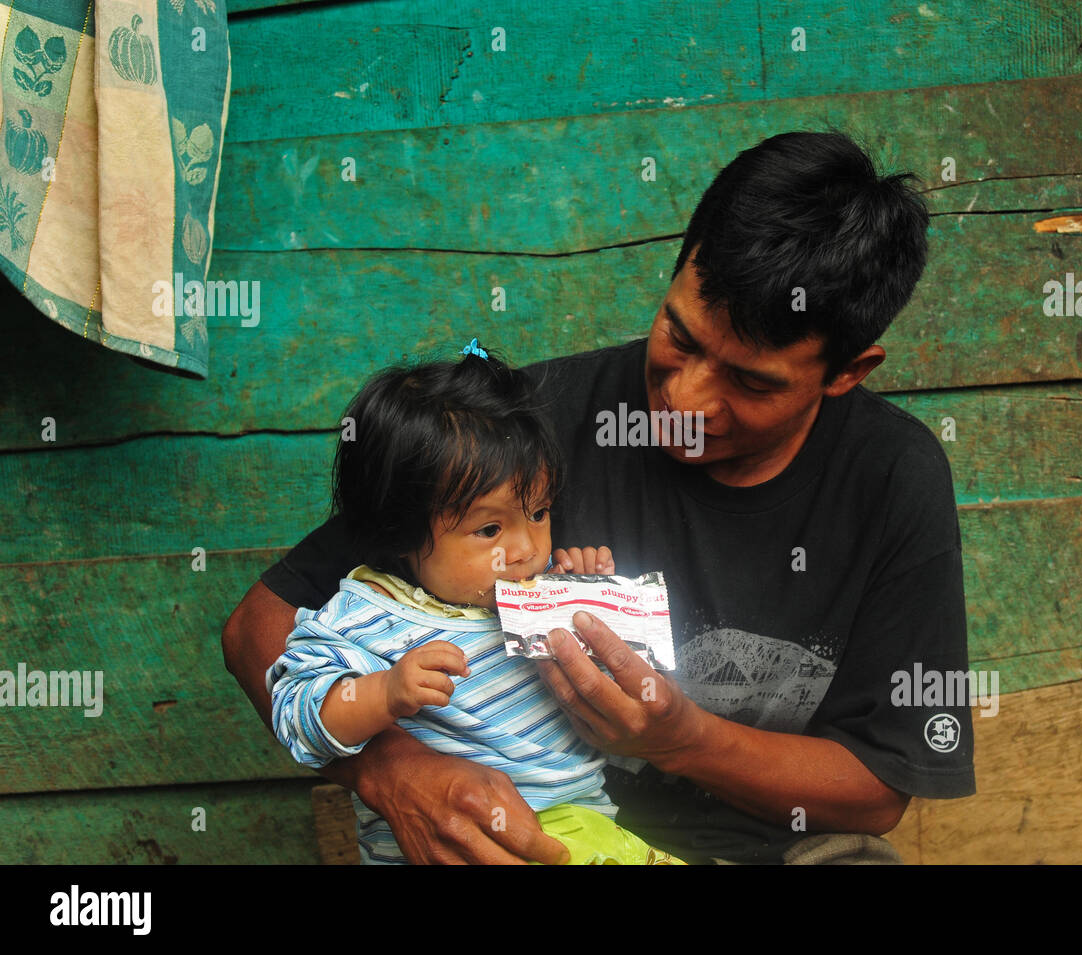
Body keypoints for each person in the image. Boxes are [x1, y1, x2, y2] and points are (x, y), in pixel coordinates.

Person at [222, 130, 976, 865]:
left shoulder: (892, 476)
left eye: (749, 382)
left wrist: (680, 738)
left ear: (848, 371)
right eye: (679, 338)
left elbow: (878, 787)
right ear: (679, 267)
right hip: (531, 834)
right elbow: (260, 625)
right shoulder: (521, 430)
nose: (684, 398)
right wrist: (392, 770)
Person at [265, 350, 683, 864]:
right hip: (457, 845)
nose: (528, 547)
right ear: (400, 531)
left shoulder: (541, 597)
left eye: (539, 512)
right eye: (489, 530)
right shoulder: (364, 618)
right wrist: (384, 693)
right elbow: (297, 715)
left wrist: (594, 604)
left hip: (580, 828)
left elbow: (614, 699)